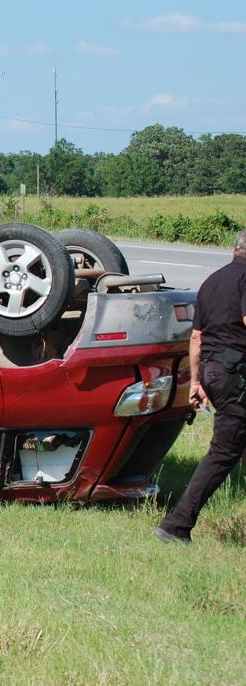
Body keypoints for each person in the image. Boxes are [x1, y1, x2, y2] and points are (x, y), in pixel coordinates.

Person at [156, 229, 246, 544]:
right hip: (237, 375)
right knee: (223, 451)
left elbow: (196, 338)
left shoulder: (211, 282)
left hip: (213, 371)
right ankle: (176, 525)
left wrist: (198, 381)